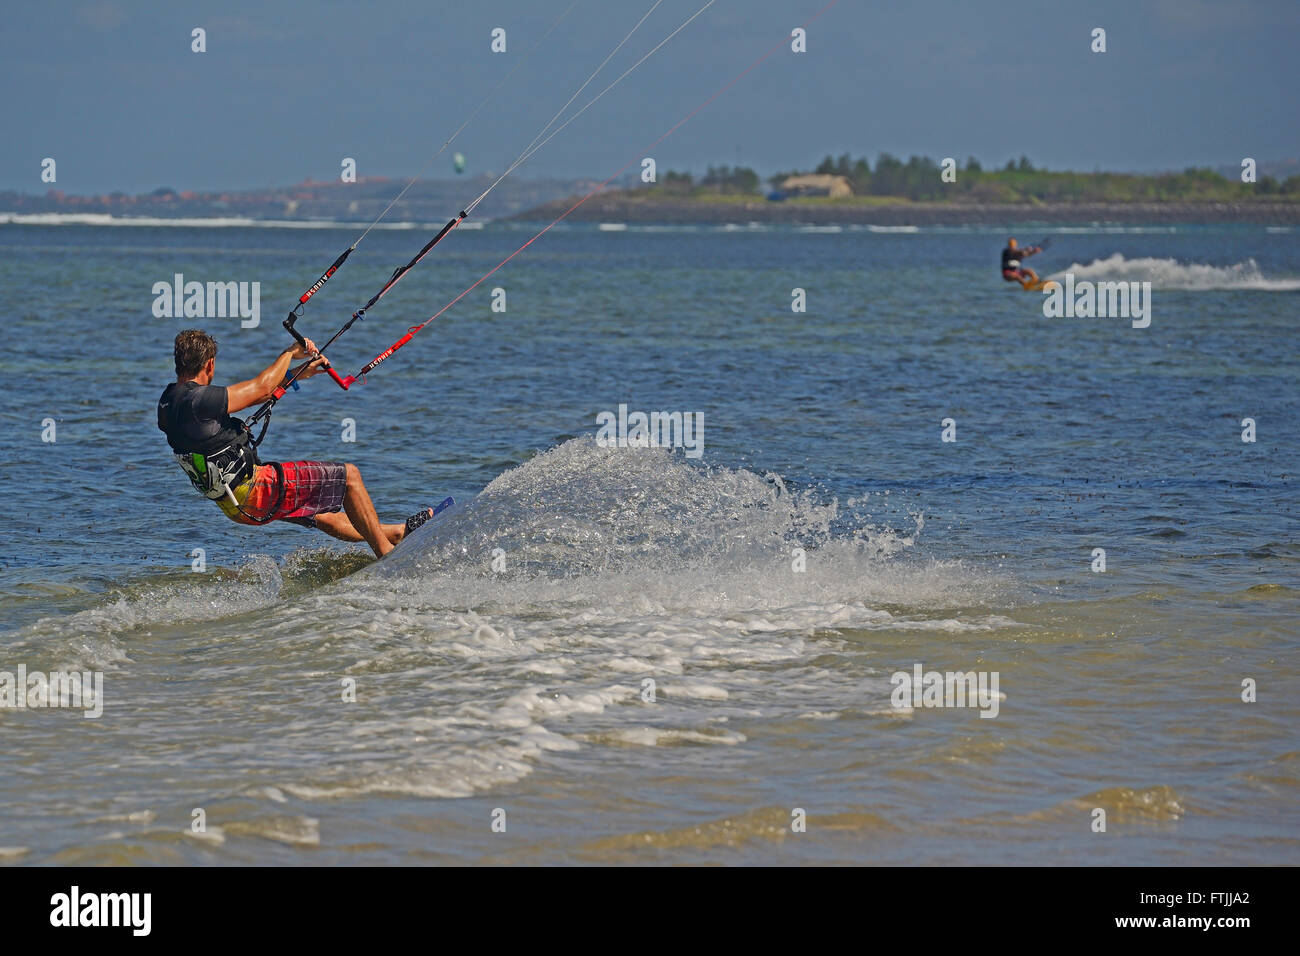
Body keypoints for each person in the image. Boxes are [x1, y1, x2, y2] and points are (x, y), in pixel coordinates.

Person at [157, 329, 433, 558]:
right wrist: (289, 353)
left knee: (322, 515)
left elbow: (254, 398)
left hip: (234, 505)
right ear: (210, 365)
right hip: (254, 490)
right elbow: (261, 388)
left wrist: (295, 375)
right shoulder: (197, 401)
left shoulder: (169, 402)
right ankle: (387, 555)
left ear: (178, 363)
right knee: (350, 477)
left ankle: (397, 533)